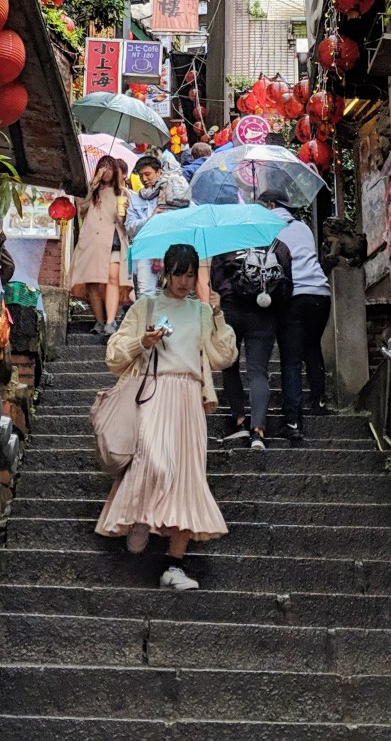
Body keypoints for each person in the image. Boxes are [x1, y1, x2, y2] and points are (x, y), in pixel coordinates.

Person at [96, 243, 237, 590]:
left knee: (188, 477)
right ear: (166, 273)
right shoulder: (147, 306)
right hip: (155, 393)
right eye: (179, 274)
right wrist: (142, 342)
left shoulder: (202, 312)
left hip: (190, 398)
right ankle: (141, 516)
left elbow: (224, 357)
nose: (185, 282)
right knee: (155, 462)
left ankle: (174, 565)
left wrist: (218, 315)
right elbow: (114, 357)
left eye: (191, 275)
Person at [211, 237, 293, 451]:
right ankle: (259, 431)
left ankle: (240, 420)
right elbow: (286, 285)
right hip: (264, 313)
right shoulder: (278, 246)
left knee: (229, 363)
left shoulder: (226, 245)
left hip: (232, 311)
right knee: (258, 371)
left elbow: (216, 281)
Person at [263, 197, 332, 445]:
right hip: (321, 293)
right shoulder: (303, 227)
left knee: (291, 359)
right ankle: (319, 400)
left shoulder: (268, 228)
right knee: (312, 346)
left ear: (271, 206)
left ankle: (293, 421)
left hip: (293, 295)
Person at [69, 156, 132, 339]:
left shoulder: (123, 193)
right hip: (92, 241)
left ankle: (111, 321)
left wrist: (125, 213)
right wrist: (94, 183)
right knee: (92, 281)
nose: (106, 171)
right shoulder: (91, 190)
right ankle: (99, 319)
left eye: (109, 168)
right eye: (102, 167)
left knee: (113, 278)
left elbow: (126, 220)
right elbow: (81, 207)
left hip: (113, 240)